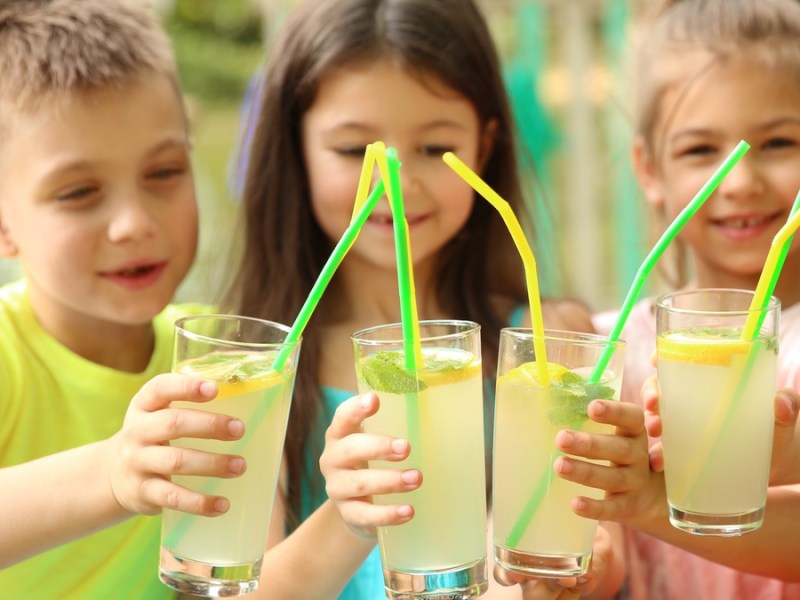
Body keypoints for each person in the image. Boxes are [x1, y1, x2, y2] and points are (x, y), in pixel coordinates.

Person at [223, 0, 615, 597]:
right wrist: (350, 517)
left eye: (435, 149)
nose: (398, 184)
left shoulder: (543, 344)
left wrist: (576, 576)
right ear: (294, 147)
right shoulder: (260, 372)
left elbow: (601, 550)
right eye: (355, 152)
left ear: (484, 147)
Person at [0, 1, 249, 597]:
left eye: (164, 173)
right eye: (80, 191)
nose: (133, 223)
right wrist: (113, 473)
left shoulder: (222, 355)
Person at [585, 0, 800, 596]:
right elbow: (605, 556)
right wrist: (586, 571)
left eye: (780, 142)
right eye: (701, 152)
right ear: (647, 169)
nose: (740, 182)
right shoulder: (608, 351)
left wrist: (651, 501)